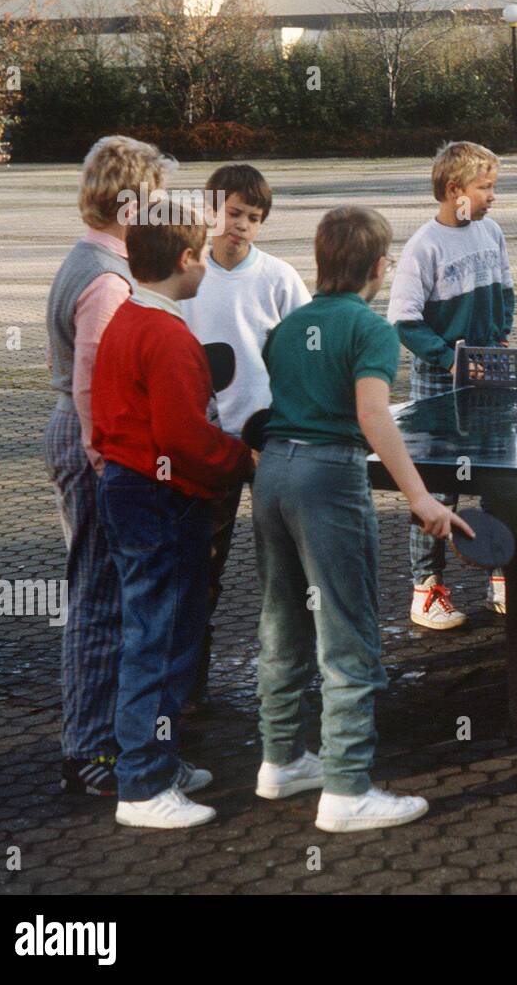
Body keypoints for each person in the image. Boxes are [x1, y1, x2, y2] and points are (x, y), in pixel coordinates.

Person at [255, 206, 470, 832]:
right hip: (328, 478)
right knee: (348, 632)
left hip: (271, 474)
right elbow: (374, 417)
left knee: (281, 621)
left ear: (322, 261)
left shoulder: (289, 325)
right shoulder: (370, 329)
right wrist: (422, 498)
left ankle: (282, 760)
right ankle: (347, 791)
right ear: (380, 266)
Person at [91, 203, 255, 827]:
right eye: (201, 255)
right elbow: (184, 437)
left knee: (169, 632)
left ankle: (157, 756)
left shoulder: (129, 319)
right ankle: (142, 785)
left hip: (136, 493)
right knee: (157, 641)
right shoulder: (167, 335)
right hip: (159, 500)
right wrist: (243, 460)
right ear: (187, 260)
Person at [43, 136, 166, 797]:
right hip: (90, 439)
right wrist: (103, 455)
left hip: (75, 430)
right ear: (131, 200)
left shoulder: (88, 256)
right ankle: (89, 752)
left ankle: (105, 741)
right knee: (99, 598)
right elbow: (94, 377)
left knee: (102, 592)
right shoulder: (105, 277)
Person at [178, 164, 311, 706]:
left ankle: (290, 687)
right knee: (200, 569)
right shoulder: (186, 277)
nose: (242, 227)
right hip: (210, 448)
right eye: (234, 214)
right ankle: (187, 692)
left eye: (253, 219)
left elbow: (307, 356)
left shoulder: (279, 278)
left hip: (272, 447)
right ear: (211, 211)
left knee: (285, 571)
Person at [387, 141, 514, 625]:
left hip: (491, 374)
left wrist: (498, 340)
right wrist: (451, 360)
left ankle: (499, 577)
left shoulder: (492, 232)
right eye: (485, 188)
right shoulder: (425, 246)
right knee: (439, 488)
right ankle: (427, 588)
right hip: (441, 384)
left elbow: (505, 291)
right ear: (455, 189)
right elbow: (404, 321)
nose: (492, 197)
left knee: (498, 477)